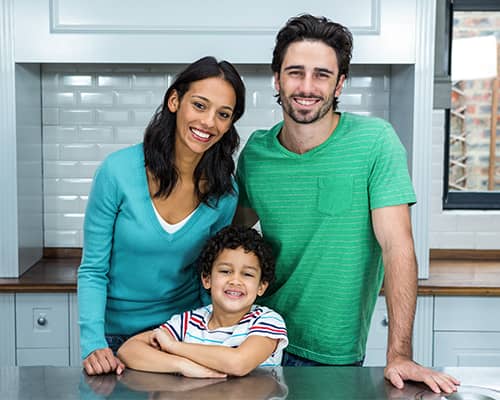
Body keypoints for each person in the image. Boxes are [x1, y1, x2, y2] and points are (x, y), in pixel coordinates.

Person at [234, 14, 460, 394]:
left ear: (339, 84)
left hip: (330, 353)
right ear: (277, 79)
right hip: (254, 341)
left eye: (322, 74)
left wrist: (399, 353)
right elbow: (232, 240)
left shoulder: (374, 142)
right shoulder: (256, 152)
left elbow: (397, 246)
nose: (307, 86)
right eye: (295, 72)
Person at [78, 56, 246, 377]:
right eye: (199, 105)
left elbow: (205, 276)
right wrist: (93, 343)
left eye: (223, 114)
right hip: (113, 339)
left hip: (180, 337)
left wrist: (211, 337)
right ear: (174, 101)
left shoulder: (224, 192)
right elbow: (93, 269)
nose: (209, 122)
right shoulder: (117, 172)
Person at [117, 226, 288, 376]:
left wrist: (174, 347)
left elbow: (238, 363)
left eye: (248, 274)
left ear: (261, 286)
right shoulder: (188, 323)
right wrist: (182, 365)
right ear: (207, 279)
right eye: (225, 271)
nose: (235, 281)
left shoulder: (267, 321)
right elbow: (128, 350)